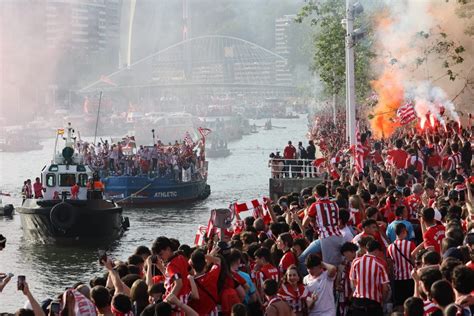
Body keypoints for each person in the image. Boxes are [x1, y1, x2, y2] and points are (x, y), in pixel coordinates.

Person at [301, 184, 344, 267]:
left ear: (315, 195)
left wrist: (306, 212)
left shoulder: (315, 205)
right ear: (326, 193)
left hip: (326, 238)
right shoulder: (335, 204)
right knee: (337, 264)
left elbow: (304, 224)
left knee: (329, 266)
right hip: (338, 236)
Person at [349, 240, 390, 316]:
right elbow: (385, 288)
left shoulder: (355, 262)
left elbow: (353, 282)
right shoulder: (380, 264)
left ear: (366, 249)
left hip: (358, 303)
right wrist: (383, 300)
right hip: (373, 303)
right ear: (377, 250)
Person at [387, 223, 415, 309]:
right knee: (411, 303)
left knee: (399, 303)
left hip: (397, 279)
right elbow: (413, 260)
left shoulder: (390, 247)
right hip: (410, 277)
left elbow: (390, 264)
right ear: (403, 231)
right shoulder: (410, 244)